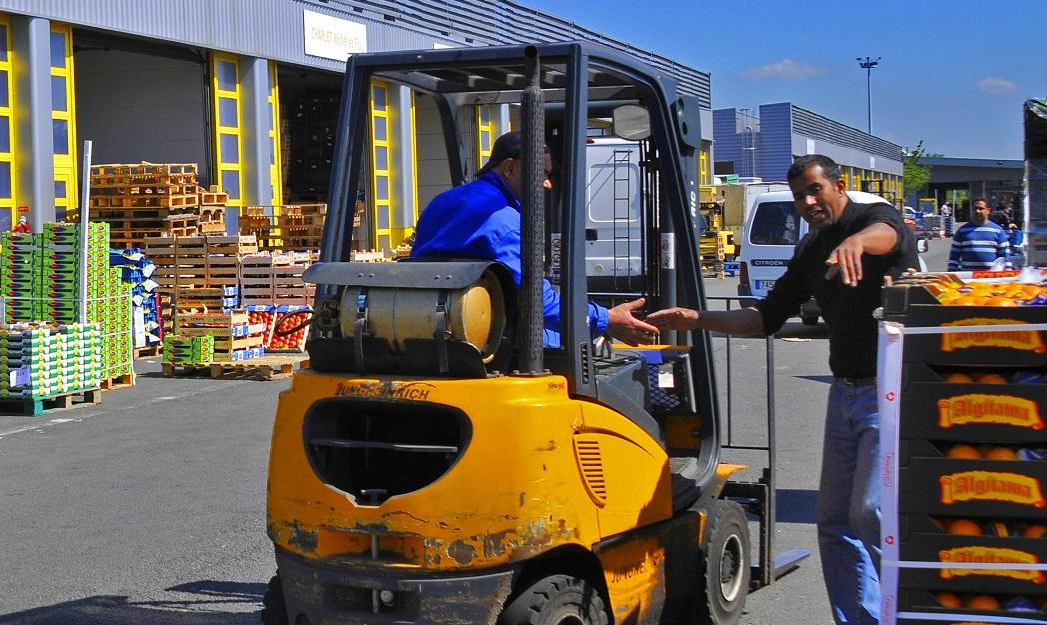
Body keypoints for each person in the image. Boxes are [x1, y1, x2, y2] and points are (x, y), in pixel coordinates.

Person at [647, 155, 912, 625]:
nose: (807, 203)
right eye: (799, 197)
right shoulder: (812, 249)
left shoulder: (871, 220)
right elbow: (766, 317)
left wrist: (856, 242)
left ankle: (911, 609)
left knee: (871, 511)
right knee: (833, 521)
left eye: (815, 191)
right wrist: (698, 319)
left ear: (839, 185)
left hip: (890, 391)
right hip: (844, 391)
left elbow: (888, 235)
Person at [409, 131, 659, 347]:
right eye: (541, 173)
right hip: (480, 334)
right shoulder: (504, 222)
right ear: (510, 168)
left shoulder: (443, 201)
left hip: (428, 327)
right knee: (576, 348)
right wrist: (606, 319)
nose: (548, 184)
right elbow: (537, 303)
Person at [948, 198, 1008, 271]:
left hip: (991, 278)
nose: (977, 211)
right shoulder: (962, 231)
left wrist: (1008, 272)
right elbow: (954, 255)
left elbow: (1005, 255)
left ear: (988, 211)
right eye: (975, 208)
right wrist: (951, 272)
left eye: (981, 208)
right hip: (968, 277)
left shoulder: (998, 231)